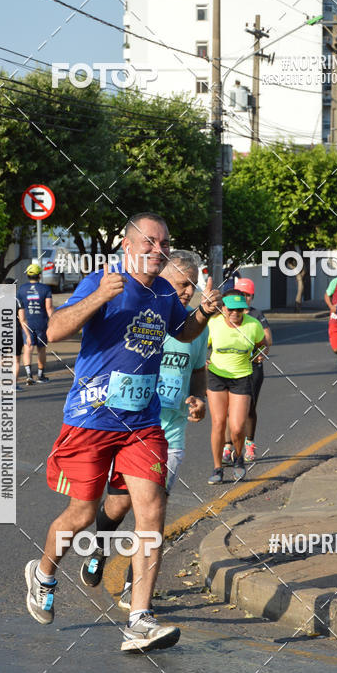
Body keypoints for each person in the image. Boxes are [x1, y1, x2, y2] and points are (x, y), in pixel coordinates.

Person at [24, 213, 221, 654]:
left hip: (143, 424)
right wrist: (98, 297)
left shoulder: (166, 294)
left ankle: (139, 619)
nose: (158, 250)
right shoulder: (102, 279)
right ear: (128, 246)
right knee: (81, 514)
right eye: (150, 242)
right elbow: (52, 331)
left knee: (151, 510)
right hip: (91, 419)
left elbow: (182, 330)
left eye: (165, 243)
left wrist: (203, 313)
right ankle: (43, 573)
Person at [80, 250, 208, 608]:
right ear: (161, 276)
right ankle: (99, 550)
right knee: (118, 504)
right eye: (182, 284)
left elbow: (197, 370)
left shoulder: (194, 328)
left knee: (152, 512)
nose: (186, 293)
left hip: (171, 433)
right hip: (131, 429)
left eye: (192, 287)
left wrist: (198, 398)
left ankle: (134, 588)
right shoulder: (144, 314)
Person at [206, 291, 264, 484]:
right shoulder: (213, 323)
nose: (235, 314)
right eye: (231, 309)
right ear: (223, 309)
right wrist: (202, 360)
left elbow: (262, 345)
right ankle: (217, 468)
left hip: (242, 376)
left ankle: (238, 459)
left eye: (239, 310)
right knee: (219, 422)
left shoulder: (253, 325)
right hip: (216, 375)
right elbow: (201, 345)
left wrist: (260, 354)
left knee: (237, 427)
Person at [220, 277, 272, 464]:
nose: (244, 298)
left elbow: (267, 340)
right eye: (241, 294)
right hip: (226, 369)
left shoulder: (256, 315)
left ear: (252, 296)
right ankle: (227, 447)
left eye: (247, 295)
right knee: (226, 410)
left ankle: (249, 443)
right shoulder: (223, 316)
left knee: (248, 409)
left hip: (251, 369)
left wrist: (258, 353)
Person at [17, 263, 54, 384]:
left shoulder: (21, 289)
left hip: (27, 323)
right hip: (42, 323)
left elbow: (20, 311)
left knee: (28, 348)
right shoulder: (45, 289)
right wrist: (54, 321)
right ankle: (40, 375)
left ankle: (29, 375)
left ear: (28, 275)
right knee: (41, 349)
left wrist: (23, 324)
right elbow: (49, 308)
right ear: (39, 275)